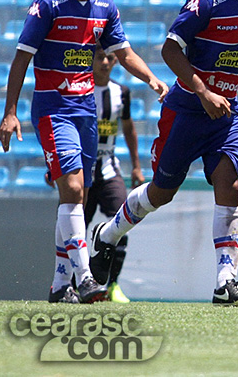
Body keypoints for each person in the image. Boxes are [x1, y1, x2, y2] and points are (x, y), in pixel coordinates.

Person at [88, 0, 238, 307]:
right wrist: (203, 92)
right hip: (187, 110)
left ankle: (225, 282)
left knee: (232, 184)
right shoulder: (204, 1)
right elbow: (170, 50)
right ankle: (107, 234)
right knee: (162, 192)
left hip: (226, 112)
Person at [0, 0, 169, 304]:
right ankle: (85, 277)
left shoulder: (105, 7)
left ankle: (60, 286)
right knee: (74, 191)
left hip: (86, 112)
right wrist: (10, 112)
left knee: (76, 197)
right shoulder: (48, 6)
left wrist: (152, 78)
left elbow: (124, 54)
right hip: (53, 110)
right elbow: (21, 59)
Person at [85, 46, 146, 303]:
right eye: (100, 57)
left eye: (110, 58)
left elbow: (129, 129)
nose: (105, 62)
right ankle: (74, 283)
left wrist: (136, 166)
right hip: (81, 170)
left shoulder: (121, 92)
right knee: (73, 226)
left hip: (109, 169)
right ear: (91, 60)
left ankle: (112, 285)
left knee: (123, 221)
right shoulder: (80, 91)